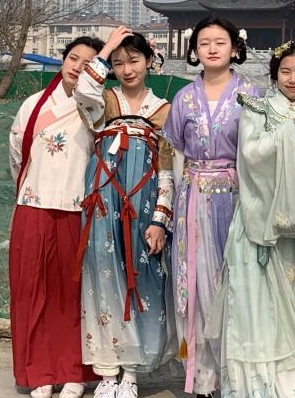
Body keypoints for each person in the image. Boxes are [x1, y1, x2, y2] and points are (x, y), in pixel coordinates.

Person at [212, 38, 295, 397]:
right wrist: (292, 128)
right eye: (286, 71)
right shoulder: (256, 109)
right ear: (274, 74)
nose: (293, 79)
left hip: (293, 233)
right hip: (254, 226)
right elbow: (250, 158)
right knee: (251, 313)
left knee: (290, 320)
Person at [75, 26, 176, 398]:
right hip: (104, 197)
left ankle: (131, 373)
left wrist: (160, 219)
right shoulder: (104, 101)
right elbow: (83, 90)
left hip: (144, 201)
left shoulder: (164, 111)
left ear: (149, 61)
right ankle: (107, 372)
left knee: (143, 277)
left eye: (133, 60)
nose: (127, 69)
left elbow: (169, 168)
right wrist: (106, 50)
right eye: (118, 63)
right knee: (102, 278)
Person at [162, 16, 259, 397]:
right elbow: (172, 154)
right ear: (194, 50)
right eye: (204, 43)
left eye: (221, 42)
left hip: (235, 200)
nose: (213, 49)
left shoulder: (250, 94)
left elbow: (258, 156)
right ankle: (203, 378)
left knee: (231, 285)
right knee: (197, 287)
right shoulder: (183, 98)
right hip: (192, 202)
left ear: (235, 48)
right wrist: (167, 208)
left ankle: (234, 376)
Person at [8, 36, 104, 398]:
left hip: (76, 209)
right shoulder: (33, 104)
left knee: (72, 293)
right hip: (33, 206)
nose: (78, 67)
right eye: (73, 58)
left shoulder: (97, 107)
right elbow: (17, 154)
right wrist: (31, 188)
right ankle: (39, 372)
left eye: (89, 63)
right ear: (62, 60)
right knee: (31, 291)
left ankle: (74, 372)